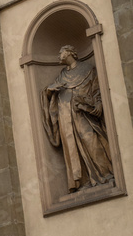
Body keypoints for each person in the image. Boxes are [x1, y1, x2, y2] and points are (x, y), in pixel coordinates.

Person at [41, 45, 114, 193]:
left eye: (60, 52)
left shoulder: (87, 69)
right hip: (65, 116)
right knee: (72, 148)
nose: (58, 56)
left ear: (69, 52)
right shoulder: (62, 75)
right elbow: (51, 92)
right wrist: (49, 91)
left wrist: (97, 103)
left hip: (83, 113)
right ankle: (83, 181)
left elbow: (96, 89)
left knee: (91, 142)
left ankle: (106, 174)